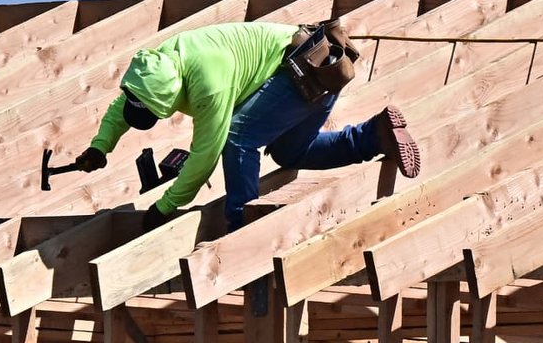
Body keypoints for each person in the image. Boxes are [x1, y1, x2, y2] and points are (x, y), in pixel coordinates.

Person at [72, 21, 420, 232]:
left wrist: (165, 206)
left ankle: (243, 220)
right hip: (321, 68)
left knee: (238, 139)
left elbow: (206, 151)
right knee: (289, 152)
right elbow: (127, 102)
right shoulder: (155, 65)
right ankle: (376, 135)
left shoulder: (208, 79)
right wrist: (100, 146)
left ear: (172, 93)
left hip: (303, 70)